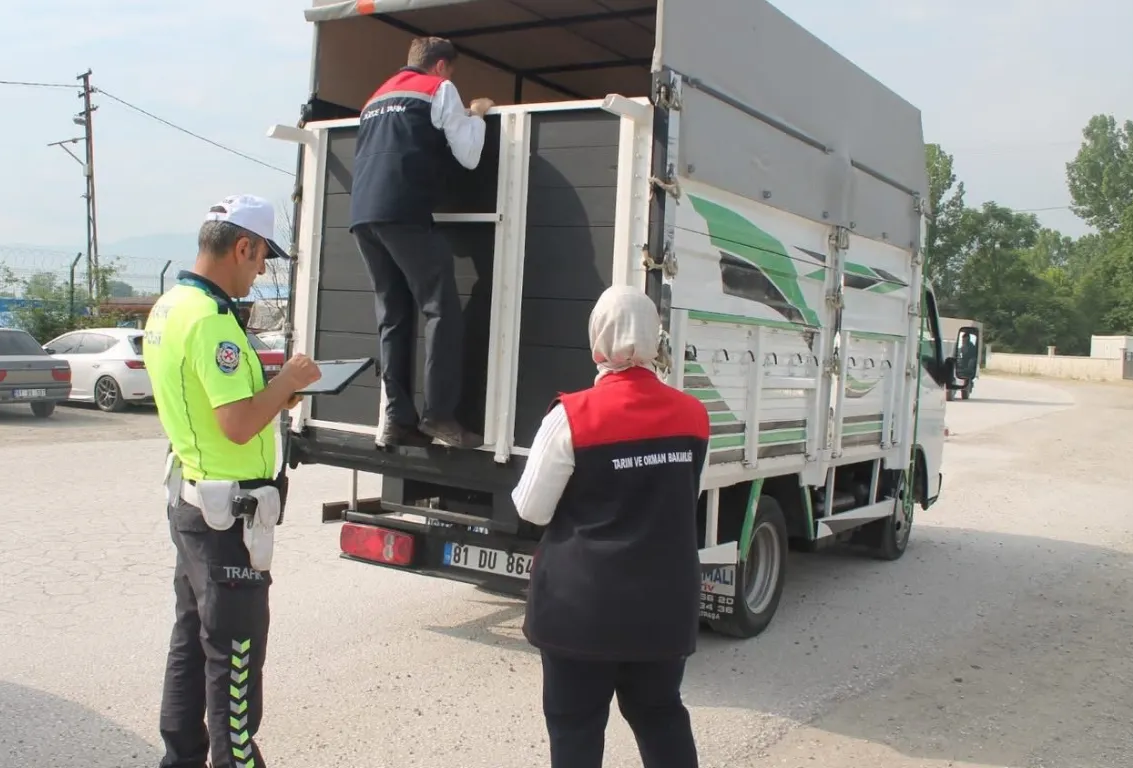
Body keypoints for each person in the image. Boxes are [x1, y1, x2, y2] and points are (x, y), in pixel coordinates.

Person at [143, 194, 322, 768]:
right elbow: (238, 423)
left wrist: (276, 393)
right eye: (261, 257)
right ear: (241, 246)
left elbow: (219, 406)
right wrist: (287, 379)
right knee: (235, 659)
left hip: (195, 503)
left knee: (191, 645)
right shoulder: (211, 323)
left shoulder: (170, 307)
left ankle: (181, 757)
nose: (261, 271)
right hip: (226, 521)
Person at [511, 285, 712, 768]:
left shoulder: (571, 417)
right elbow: (683, 496)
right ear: (654, 341)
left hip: (580, 612)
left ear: (597, 343)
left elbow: (532, 509)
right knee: (661, 714)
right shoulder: (694, 415)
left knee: (576, 728)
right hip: (663, 610)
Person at [348, 35, 495, 449]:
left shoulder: (375, 98)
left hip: (363, 216)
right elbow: (468, 155)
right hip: (404, 211)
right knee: (441, 309)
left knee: (393, 316)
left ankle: (397, 419)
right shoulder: (438, 89)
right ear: (442, 66)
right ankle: (440, 417)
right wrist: (478, 116)